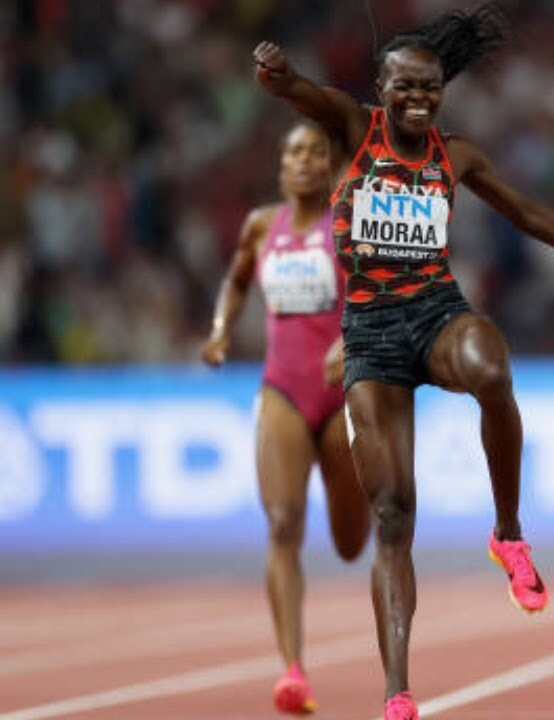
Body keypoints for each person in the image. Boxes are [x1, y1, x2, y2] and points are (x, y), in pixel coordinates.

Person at [252, 7, 554, 720]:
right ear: (381, 89)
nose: (418, 98)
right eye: (405, 86)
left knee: (491, 369)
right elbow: (297, 90)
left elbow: (531, 216)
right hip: (371, 336)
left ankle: (508, 534)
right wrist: (278, 74)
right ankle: (397, 692)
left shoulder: (458, 155)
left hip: (436, 312)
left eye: (430, 87)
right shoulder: (353, 129)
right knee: (393, 515)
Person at [201, 121, 371, 716]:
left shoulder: (348, 224)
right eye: (293, 151)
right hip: (282, 389)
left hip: (342, 395)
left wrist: (351, 339)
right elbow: (235, 283)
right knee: (281, 524)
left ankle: (358, 516)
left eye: (315, 152)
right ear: (280, 165)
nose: (303, 160)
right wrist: (221, 330)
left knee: (350, 543)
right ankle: (292, 670)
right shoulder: (260, 226)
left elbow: (377, 292)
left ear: (330, 166)